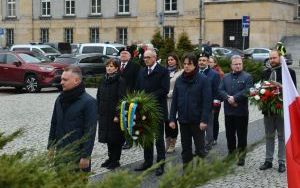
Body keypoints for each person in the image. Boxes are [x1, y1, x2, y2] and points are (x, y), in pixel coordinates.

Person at [47, 65, 97, 172]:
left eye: (65, 80)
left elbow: (90, 131)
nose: (61, 82)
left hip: (77, 156)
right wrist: (51, 146)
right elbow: (54, 123)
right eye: (61, 79)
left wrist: (85, 156)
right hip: (60, 154)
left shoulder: (89, 102)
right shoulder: (60, 99)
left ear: (76, 81)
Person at [169, 53, 211, 166]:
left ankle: (200, 172)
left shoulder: (203, 80)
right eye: (185, 64)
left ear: (195, 65)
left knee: (200, 149)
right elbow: (175, 101)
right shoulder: (179, 80)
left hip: (197, 121)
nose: (186, 66)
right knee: (186, 148)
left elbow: (207, 102)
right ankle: (187, 172)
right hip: (183, 120)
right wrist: (172, 118)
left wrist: (204, 120)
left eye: (189, 64)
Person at [259, 50, 296, 173]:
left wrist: (280, 86)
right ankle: (268, 160)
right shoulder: (265, 72)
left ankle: (281, 162)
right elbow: (260, 89)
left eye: (274, 58)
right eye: (270, 58)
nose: (272, 60)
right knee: (269, 136)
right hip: (268, 110)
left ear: (280, 58)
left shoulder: (289, 72)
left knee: (281, 136)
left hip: (281, 110)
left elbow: (292, 91)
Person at [135, 49, 170, 176]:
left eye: (148, 57)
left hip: (158, 110)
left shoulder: (163, 71)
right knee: (146, 138)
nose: (145, 60)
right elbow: (137, 88)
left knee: (159, 138)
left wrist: (148, 98)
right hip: (144, 110)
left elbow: (164, 89)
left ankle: (160, 164)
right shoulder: (142, 71)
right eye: (144, 58)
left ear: (155, 58)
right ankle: (147, 162)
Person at [219, 55, 253, 166]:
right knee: (229, 134)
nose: (238, 66)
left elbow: (248, 90)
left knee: (242, 135)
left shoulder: (247, 77)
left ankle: (242, 156)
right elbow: (220, 90)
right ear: (231, 65)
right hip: (229, 112)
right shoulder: (225, 77)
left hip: (241, 112)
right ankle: (231, 154)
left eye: (239, 64)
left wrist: (235, 98)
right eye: (235, 64)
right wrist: (228, 98)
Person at [97, 58, 126, 170]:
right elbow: (99, 96)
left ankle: (116, 160)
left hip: (114, 115)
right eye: (107, 66)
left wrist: (118, 115)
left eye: (111, 66)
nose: (108, 68)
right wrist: (98, 110)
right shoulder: (103, 80)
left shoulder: (120, 81)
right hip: (104, 113)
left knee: (116, 138)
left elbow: (121, 99)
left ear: (117, 68)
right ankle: (110, 158)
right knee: (108, 138)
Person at [118, 49, 141, 150]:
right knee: (119, 118)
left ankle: (129, 140)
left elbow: (138, 81)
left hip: (130, 96)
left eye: (125, 53)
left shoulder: (135, 66)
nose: (123, 55)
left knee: (128, 119)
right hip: (118, 96)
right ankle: (120, 139)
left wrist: (135, 95)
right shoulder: (116, 65)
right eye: (121, 53)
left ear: (130, 56)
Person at [198, 53, 221, 150]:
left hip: (209, 104)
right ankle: (200, 144)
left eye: (204, 60)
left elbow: (217, 91)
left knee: (209, 125)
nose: (201, 62)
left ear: (208, 62)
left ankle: (208, 144)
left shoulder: (214, 74)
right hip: (197, 104)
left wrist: (214, 105)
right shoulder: (195, 72)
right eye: (200, 60)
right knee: (198, 126)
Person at [165, 53, 183, 153]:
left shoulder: (180, 72)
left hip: (173, 100)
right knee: (166, 122)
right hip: (164, 100)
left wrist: (170, 93)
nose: (170, 61)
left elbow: (179, 87)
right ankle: (167, 142)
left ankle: (173, 143)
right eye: (168, 60)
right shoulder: (165, 72)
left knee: (173, 121)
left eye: (172, 59)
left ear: (176, 60)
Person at [208, 56, 224, 145]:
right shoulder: (206, 72)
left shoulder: (218, 73)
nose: (209, 63)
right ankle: (209, 137)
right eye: (208, 62)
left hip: (216, 101)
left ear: (215, 63)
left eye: (211, 62)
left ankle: (214, 137)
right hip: (208, 100)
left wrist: (217, 101)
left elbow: (220, 89)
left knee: (214, 119)